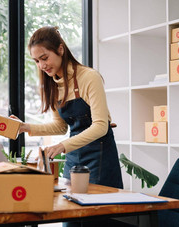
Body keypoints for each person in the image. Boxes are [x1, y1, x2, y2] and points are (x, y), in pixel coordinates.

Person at [12, 26, 123, 189]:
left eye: (44, 58)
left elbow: (101, 126)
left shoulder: (89, 77)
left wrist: (62, 146)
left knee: (96, 210)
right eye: (37, 61)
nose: (42, 65)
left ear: (60, 49)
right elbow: (61, 126)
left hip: (99, 155)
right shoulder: (52, 85)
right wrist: (26, 127)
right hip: (73, 156)